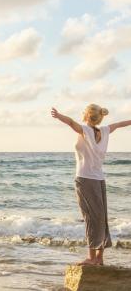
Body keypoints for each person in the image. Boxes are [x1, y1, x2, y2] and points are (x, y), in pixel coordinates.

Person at [51, 104, 131, 266]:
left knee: (90, 218)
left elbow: (71, 122)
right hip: (99, 180)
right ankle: (99, 258)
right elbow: (122, 123)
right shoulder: (106, 130)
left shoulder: (85, 130)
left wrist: (59, 116)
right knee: (101, 218)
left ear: (87, 115)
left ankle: (91, 258)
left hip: (85, 179)